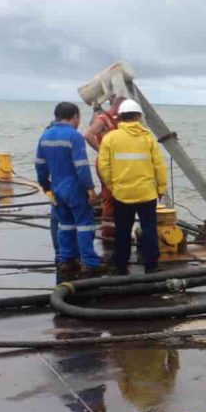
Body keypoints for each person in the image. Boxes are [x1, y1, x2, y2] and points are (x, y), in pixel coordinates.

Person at [35, 102, 104, 281]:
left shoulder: (45, 135)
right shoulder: (74, 136)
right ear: (75, 116)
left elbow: (40, 164)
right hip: (74, 186)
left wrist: (45, 185)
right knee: (84, 224)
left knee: (64, 224)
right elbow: (81, 166)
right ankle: (89, 261)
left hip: (56, 187)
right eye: (78, 118)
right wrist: (89, 188)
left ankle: (67, 260)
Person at [98, 99, 167, 274]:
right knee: (149, 229)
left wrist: (111, 185)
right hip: (146, 194)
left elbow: (103, 166)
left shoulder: (110, 138)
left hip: (122, 194)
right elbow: (159, 165)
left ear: (120, 117)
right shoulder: (147, 138)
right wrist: (161, 188)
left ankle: (120, 265)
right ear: (138, 116)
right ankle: (152, 265)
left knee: (122, 230)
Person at [82, 95, 126, 243]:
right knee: (108, 197)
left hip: (116, 163)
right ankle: (108, 234)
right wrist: (101, 150)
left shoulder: (118, 119)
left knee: (116, 196)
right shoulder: (103, 118)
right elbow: (88, 134)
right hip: (106, 163)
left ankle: (117, 230)